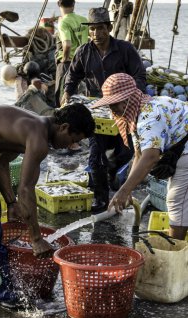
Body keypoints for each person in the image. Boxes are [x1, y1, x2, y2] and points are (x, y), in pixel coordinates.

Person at [0, 103, 95, 308]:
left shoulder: (35, 129)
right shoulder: (37, 138)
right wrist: (36, 238)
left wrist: (11, 202)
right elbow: (26, 190)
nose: (71, 146)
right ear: (64, 127)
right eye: (73, 140)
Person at [61, 7, 146, 212]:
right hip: (98, 111)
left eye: (100, 29)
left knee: (126, 151)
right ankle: (101, 198)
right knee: (96, 154)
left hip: (123, 109)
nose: (96, 34)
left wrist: (133, 98)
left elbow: (140, 77)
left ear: (108, 28)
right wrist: (66, 95)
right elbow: (72, 77)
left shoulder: (125, 49)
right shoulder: (83, 51)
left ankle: (111, 171)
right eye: (92, 29)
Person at [92, 73, 188, 240]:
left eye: (113, 104)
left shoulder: (149, 116)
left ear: (126, 101)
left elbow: (150, 157)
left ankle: (175, 252)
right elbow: (139, 154)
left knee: (176, 201)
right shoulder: (138, 112)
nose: (111, 109)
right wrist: (128, 189)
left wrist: (124, 191)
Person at [55, 0, 88, 108]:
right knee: (80, 97)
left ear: (59, 4)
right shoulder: (84, 20)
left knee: (63, 97)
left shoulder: (63, 22)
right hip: (83, 63)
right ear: (73, 4)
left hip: (68, 64)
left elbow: (67, 44)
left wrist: (64, 59)